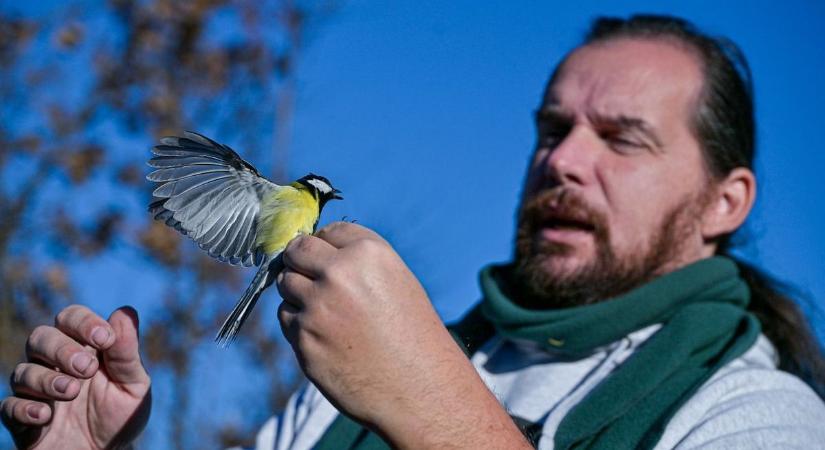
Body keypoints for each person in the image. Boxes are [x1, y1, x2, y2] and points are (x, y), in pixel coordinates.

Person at [3, 14, 825, 450]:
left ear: (726, 201)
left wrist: (433, 412)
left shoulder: (755, 416)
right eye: (550, 128)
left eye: (622, 138)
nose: (563, 160)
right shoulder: (342, 390)